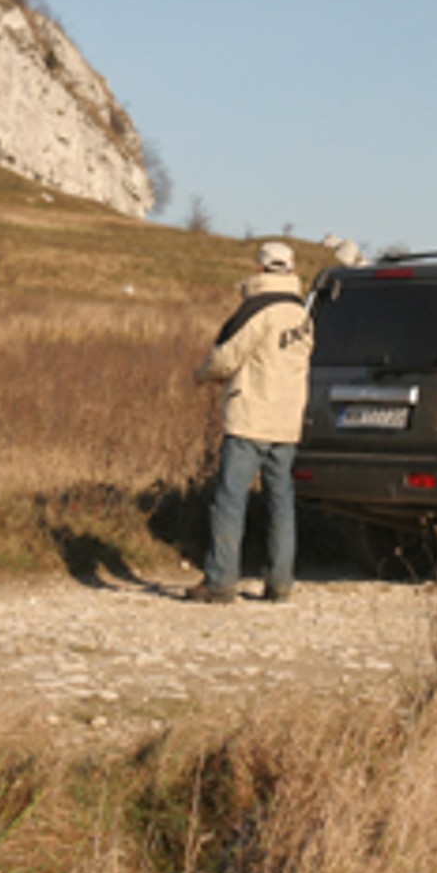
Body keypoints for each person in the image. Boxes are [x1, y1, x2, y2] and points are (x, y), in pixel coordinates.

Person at [187, 240, 314, 603]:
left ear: (259, 269)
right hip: (288, 421)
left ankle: (221, 581)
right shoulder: (302, 314)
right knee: (281, 502)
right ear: (291, 268)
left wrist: (202, 374)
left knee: (230, 499)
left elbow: (227, 358)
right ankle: (280, 581)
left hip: (250, 418)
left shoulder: (257, 310)